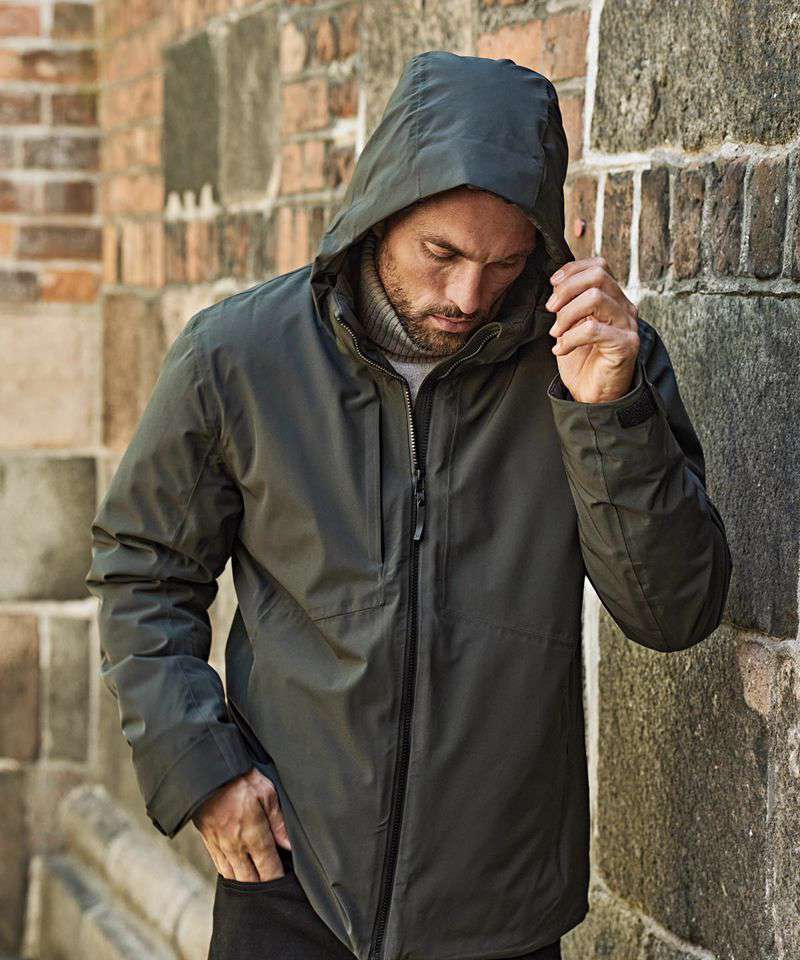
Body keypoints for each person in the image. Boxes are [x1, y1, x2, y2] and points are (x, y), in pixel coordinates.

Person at [85, 50, 733, 960]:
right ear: (382, 210)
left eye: (505, 263)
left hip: (501, 909)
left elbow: (672, 613)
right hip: (287, 887)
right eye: (443, 254)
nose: (468, 296)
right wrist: (200, 770)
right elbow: (143, 572)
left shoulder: (595, 363)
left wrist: (607, 415)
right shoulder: (238, 357)